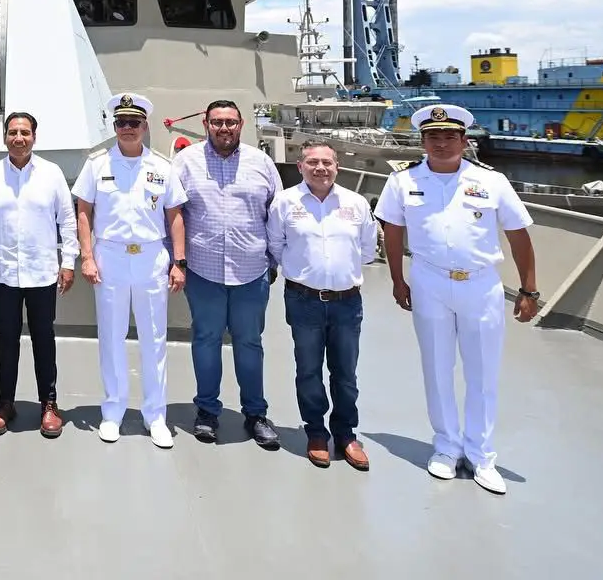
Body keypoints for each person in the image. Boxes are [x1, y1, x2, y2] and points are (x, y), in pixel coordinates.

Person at [375, 103, 539, 495]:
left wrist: (529, 289)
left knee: (483, 373)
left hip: (481, 285)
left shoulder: (492, 181)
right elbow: (393, 232)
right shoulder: (402, 182)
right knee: (437, 367)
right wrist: (398, 280)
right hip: (429, 281)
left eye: (450, 136)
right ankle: (446, 448)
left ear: (465, 141)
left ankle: (481, 455)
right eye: (434, 137)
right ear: (423, 141)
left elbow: (519, 235)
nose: (442, 143)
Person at [165, 99, 283, 448]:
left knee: (249, 343)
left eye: (230, 122)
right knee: (206, 340)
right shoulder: (185, 162)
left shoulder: (261, 163)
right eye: (217, 122)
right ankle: (207, 411)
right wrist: (179, 260)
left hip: (251, 270)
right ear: (206, 124)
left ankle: (255, 414)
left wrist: (273, 263)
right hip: (203, 270)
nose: (224, 129)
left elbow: (276, 215)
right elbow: (173, 214)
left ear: (241, 124)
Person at [73, 93, 186, 449]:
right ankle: (113, 412)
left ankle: (155, 416)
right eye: (121, 122)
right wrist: (87, 257)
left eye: (133, 123)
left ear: (145, 126)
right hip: (110, 257)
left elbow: (175, 216)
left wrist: (179, 262)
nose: (127, 129)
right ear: (114, 126)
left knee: (154, 339)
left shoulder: (163, 167)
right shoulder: (96, 165)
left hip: (152, 257)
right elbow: (83, 212)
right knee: (111, 337)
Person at [265, 140, 376, 470]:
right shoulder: (284, 203)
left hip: (347, 301)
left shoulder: (355, 203)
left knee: (345, 373)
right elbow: (275, 245)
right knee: (309, 370)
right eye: (312, 162)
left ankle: (346, 434)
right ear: (300, 166)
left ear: (337, 166)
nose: (320, 168)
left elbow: (368, 249)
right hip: (304, 300)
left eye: (327, 162)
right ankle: (316, 432)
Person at [0, 111, 78, 438]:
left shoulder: (52, 173)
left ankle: (49, 403)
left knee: (44, 339)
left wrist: (69, 261)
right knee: (6, 339)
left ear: (34, 137)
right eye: (13, 132)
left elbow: (67, 221)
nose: (19, 138)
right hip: (3, 274)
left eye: (25, 132)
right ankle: (6, 403)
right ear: (5, 136)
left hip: (42, 272)